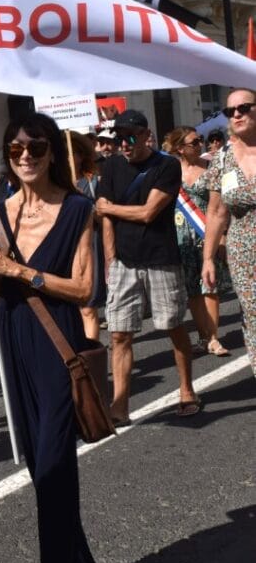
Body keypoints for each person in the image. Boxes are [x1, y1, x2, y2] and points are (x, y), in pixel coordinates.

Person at [0, 112, 105, 563]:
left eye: (37, 147)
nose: (25, 155)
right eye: (16, 148)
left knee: (52, 468)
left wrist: (17, 270)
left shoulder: (78, 210)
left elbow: (84, 290)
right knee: (37, 466)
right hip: (13, 347)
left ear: (53, 152)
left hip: (55, 348)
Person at [95, 109, 200, 421]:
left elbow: (147, 213)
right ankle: (120, 405)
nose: (124, 144)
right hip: (124, 263)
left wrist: (111, 207)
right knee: (119, 335)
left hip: (161, 259)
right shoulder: (111, 165)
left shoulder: (166, 165)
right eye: (118, 138)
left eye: (130, 137)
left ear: (145, 135)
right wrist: (109, 260)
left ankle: (186, 388)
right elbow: (105, 220)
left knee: (171, 325)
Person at [203, 87, 256, 375]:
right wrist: (208, 258)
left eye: (244, 108)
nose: (236, 114)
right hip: (243, 253)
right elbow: (216, 212)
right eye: (230, 111)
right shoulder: (222, 159)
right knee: (253, 315)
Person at [165, 127, 230, 356]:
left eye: (200, 140)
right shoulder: (170, 171)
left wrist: (222, 235)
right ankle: (204, 336)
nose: (200, 144)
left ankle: (213, 337)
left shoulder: (212, 168)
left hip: (207, 234)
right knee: (192, 289)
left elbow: (223, 207)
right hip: (181, 236)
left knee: (210, 286)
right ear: (180, 148)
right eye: (194, 142)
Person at [67, 131, 105, 341]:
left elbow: (103, 217)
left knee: (88, 306)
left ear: (81, 156)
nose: (68, 158)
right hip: (65, 249)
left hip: (89, 246)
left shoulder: (94, 182)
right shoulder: (54, 186)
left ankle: (91, 358)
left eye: (72, 153)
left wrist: (85, 203)